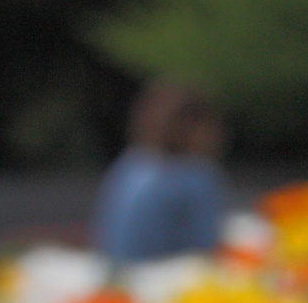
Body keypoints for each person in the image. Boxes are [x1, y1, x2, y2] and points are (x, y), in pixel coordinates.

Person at [94, 82, 227, 264]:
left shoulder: (126, 165)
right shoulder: (196, 176)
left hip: (116, 277)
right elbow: (205, 252)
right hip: (163, 281)